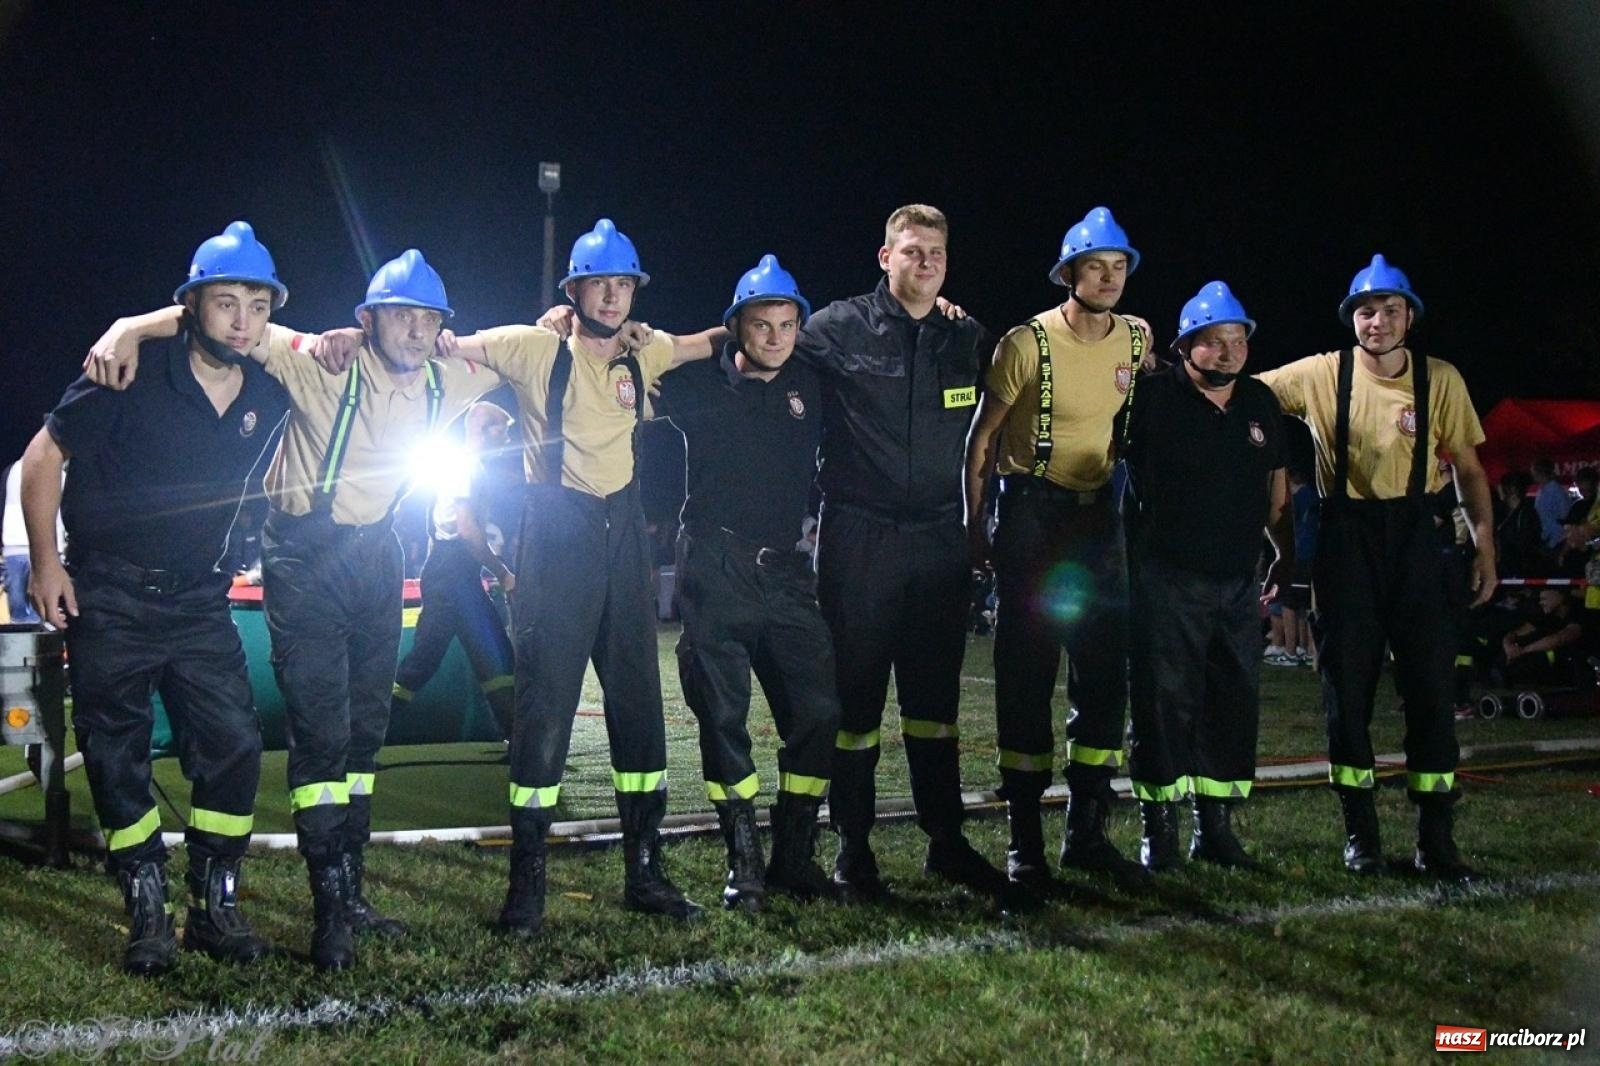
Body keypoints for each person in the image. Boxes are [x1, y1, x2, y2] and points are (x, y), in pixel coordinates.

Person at [89, 247, 505, 970]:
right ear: (366, 319)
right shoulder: (318, 359)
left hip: (379, 556)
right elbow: (223, 322)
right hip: (305, 557)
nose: (413, 330)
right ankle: (327, 918)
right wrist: (129, 327)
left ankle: (351, 898)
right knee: (322, 731)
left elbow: (539, 350)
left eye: (427, 319)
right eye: (398, 315)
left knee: (367, 734)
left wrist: (571, 320)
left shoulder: (451, 376)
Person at [25, 221, 290, 976]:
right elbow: (41, 459)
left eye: (256, 307)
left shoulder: (267, 397)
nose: (241, 321)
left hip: (199, 601)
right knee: (116, 755)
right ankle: (145, 909)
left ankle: (215, 905)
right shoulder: (127, 372)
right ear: (192, 308)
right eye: (224, 303)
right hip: (108, 594)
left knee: (235, 744)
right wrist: (48, 566)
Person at [445, 219, 723, 936]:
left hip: (624, 540)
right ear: (572, 289)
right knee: (543, 715)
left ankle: (646, 871)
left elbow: (711, 341)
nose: (611, 294)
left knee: (640, 709)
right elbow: (448, 345)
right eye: (598, 282)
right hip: (556, 542)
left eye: (623, 283)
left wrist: (764, 327)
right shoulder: (535, 346)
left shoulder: (645, 351)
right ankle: (527, 883)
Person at [795, 204, 1011, 904]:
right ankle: (852, 849)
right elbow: (758, 340)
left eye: (936, 254)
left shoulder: (965, 337)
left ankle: (945, 842)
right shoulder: (835, 327)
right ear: (884, 257)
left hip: (939, 540)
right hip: (859, 535)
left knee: (933, 705)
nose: (925, 264)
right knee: (855, 705)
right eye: (912, 252)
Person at [1258, 254, 1495, 883]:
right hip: (1345, 538)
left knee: (1430, 688)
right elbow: (1243, 387)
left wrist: (1486, 547)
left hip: (1418, 535)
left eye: (1391, 309)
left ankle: (1435, 839)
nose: (1378, 321)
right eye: (1366, 310)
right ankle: (1360, 835)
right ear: (1350, 319)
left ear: (1410, 317)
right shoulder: (1318, 373)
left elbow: (1470, 471)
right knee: (1348, 688)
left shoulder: (1440, 378)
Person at [963, 206, 1151, 889]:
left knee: (1104, 678)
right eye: (1095, 267)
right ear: (1069, 274)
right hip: (1033, 516)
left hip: (1098, 520)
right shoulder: (1026, 342)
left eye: (1118, 266)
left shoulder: (1137, 339)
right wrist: (975, 525)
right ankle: (1024, 841)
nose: (1108, 278)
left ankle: (1087, 832)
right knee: (1026, 675)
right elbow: (981, 441)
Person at [654, 254, 840, 910]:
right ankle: (744, 861)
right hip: (715, 566)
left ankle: (794, 854)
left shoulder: (813, 383)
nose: (776, 337)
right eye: (761, 325)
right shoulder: (696, 385)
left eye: (787, 325)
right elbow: (628, 365)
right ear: (736, 326)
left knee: (820, 712)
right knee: (724, 716)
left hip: (787, 573)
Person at [1121, 282, 1293, 872]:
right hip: (1166, 579)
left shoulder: (1260, 402)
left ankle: (1214, 828)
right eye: (1214, 341)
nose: (1228, 352)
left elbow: (1276, 489)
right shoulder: (1149, 398)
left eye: (1237, 340)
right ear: (1187, 345)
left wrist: (1281, 551)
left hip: (1238, 582)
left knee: (1231, 703)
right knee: (1162, 706)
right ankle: (1158, 830)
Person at [391, 401, 520, 739]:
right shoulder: (466, 467)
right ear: (483, 430)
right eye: (503, 432)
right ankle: (522, 740)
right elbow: (466, 530)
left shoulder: (464, 465)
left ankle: (364, 734)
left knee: (423, 661)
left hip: (449, 572)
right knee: (494, 652)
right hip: (454, 573)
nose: (508, 441)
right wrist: (503, 572)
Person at [3, 460, 64, 624]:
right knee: (46, 610)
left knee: (20, 612)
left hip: (13, 545)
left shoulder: (12, 469)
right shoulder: (57, 472)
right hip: (46, 550)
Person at [1531, 457, 1568, 552]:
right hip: (1546, 539)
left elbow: (1564, 519)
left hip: (1556, 541)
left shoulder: (1557, 492)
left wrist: (1552, 543)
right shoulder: (1542, 491)